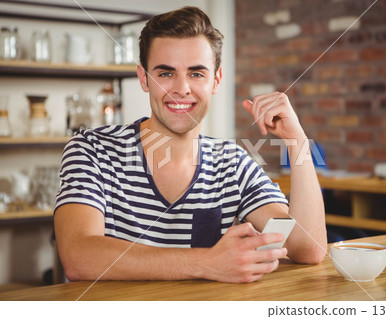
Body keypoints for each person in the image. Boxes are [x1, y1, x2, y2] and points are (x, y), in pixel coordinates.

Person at [54, 6, 326, 284]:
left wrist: (297, 140)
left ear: (216, 80)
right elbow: (78, 257)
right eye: (166, 73)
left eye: (196, 74)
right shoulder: (91, 149)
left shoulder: (232, 162)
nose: (182, 88)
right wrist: (208, 263)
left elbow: (308, 247)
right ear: (144, 78)